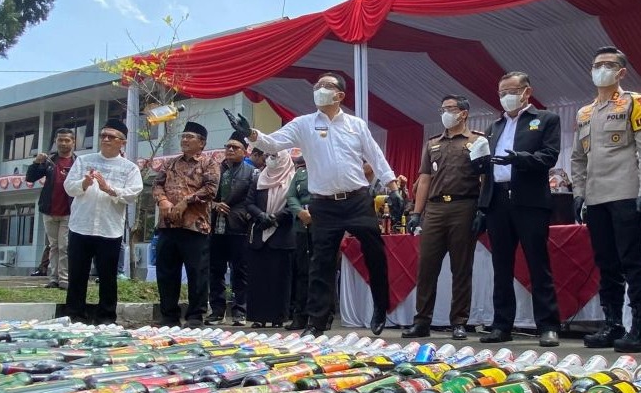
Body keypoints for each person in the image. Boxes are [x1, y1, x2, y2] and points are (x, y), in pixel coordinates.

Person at [232, 72, 403, 337]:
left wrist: (392, 188)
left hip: (358, 199)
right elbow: (274, 142)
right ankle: (316, 322)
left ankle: (381, 307)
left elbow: (376, 156)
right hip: (323, 204)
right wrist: (251, 134)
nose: (319, 89)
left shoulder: (356, 125)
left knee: (375, 254)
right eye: (317, 86)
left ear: (340, 95)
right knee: (320, 264)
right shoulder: (303, 124)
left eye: (326, 86)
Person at [475, 72, 561, 347]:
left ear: (526, 92)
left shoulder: (546, 119)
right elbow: (487, 169)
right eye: (501, 92)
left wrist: (519, 159)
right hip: (497, 201)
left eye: (511, 91)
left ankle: (548, 325)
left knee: (538, 264)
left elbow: (549, 156)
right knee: (501, 266)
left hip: (530, 200)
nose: (506, 97)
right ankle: (502, 325)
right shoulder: (494, 126)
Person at [572, 46, 641, 352]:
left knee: (634, 263)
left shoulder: (634, 103)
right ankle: (613, 324)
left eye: (608, 65)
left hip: (627, 194)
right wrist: (579, 194)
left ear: (621, 72)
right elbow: (578, 159)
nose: (601, 69)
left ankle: (638, 326)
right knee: (606, 264)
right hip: (596, 199)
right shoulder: (584, 112)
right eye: (596, 64)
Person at [402, 95, 486, 341]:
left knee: (461, 267)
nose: (446, 113)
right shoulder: (432, 144)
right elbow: (425, 179)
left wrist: (482, 209)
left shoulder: (477, 140)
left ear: (464, 113)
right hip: (435, 209)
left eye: (451, 109)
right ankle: (422, 321)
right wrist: (416, 213)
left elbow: (484, 177)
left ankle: (459, 322)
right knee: (426, 267)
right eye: (443, 109)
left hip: (465, 206)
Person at [63, 118, 143, 324]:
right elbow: (68, 187)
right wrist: (85, 182)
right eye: (103, 135)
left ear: (122, 142)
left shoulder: (129, 168)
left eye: (111, 136)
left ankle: (106, 316)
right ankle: (74, 315)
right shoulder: (83, 161)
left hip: (110, 228)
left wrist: (108, 188)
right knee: (77, 274)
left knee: (108, 276)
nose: (106, 139)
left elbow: (133, 193)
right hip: (81, 225)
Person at [153, 121, 220, 327]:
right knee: (166, 272)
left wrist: (186, 201)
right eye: (183, 136)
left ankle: (194, 316)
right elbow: (157, 184)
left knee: (197, 273)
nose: (184, 140)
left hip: (195, 226)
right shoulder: (170, 163)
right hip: (168, 225)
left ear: (202, 143)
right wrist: (163, 200)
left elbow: (211, 190)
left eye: (189, 137)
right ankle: (169, 316)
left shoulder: (209, 163)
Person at [206, 131, 255, 326]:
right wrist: (215, 205)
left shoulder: (251, 173)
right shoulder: (215, 170)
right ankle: (217, 311)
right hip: (215, 226)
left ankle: (239, 311)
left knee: (239, 271)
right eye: (228, 147)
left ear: (245, 152)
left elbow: (251, 201)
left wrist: (240, 214)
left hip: (239, 226)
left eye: (235, 147)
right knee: (215, 270)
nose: (230, 150)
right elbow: (206, 195)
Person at [245, 150, 296, 328]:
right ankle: (258, 317)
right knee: (258, 278)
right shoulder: (259, 178)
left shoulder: (293, 179)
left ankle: (278, 317)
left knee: (280, 278)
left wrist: (275, 218)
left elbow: (294, 205)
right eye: (268, 157)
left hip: (282, 235)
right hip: (259, 232)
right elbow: (249, 202)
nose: (270, 160)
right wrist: (262, 216)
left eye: (274, 156)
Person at [26, 128, 77, 290]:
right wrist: (36, 162)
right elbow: (30, 178)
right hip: (49, 210)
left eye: (67, 140)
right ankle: (53, 278)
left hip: (69, 211)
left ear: (73, 142)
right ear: (56, 141)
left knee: (65, 246)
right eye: (60, 140)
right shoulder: (49, 161)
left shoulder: (78, 162)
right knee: (53, 246)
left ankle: (65, 279)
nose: (63, 143)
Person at [285, 156, 314, 330]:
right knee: (302, 271)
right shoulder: (300, 173)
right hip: (302, 225)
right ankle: (300, 316)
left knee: (321, 271)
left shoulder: (328, 168)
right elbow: (291, 196)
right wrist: (299, 212)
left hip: (323, 224)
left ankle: (320, 315)